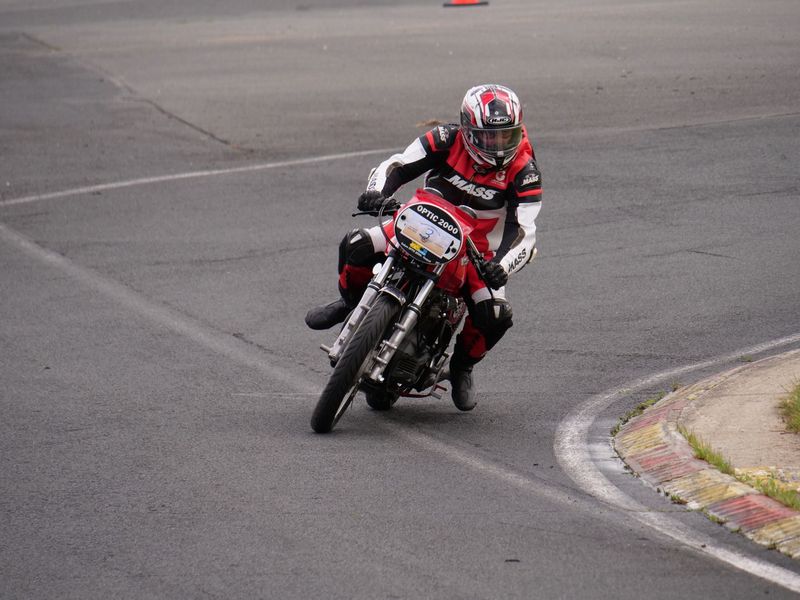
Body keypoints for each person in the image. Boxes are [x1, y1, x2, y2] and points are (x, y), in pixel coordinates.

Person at [305, 84, 542, 411]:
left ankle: (462, 368)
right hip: (419, 221)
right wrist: (376, 192)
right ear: (468, 129)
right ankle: (350, 303)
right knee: (356, 244)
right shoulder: (446, 137)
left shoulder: (525, 171)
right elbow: (398, 165)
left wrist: (500, 266)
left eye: (506, 136)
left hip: (475, 250)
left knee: (496, 314)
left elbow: (525, 232)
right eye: (489, 138)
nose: (499, 146)